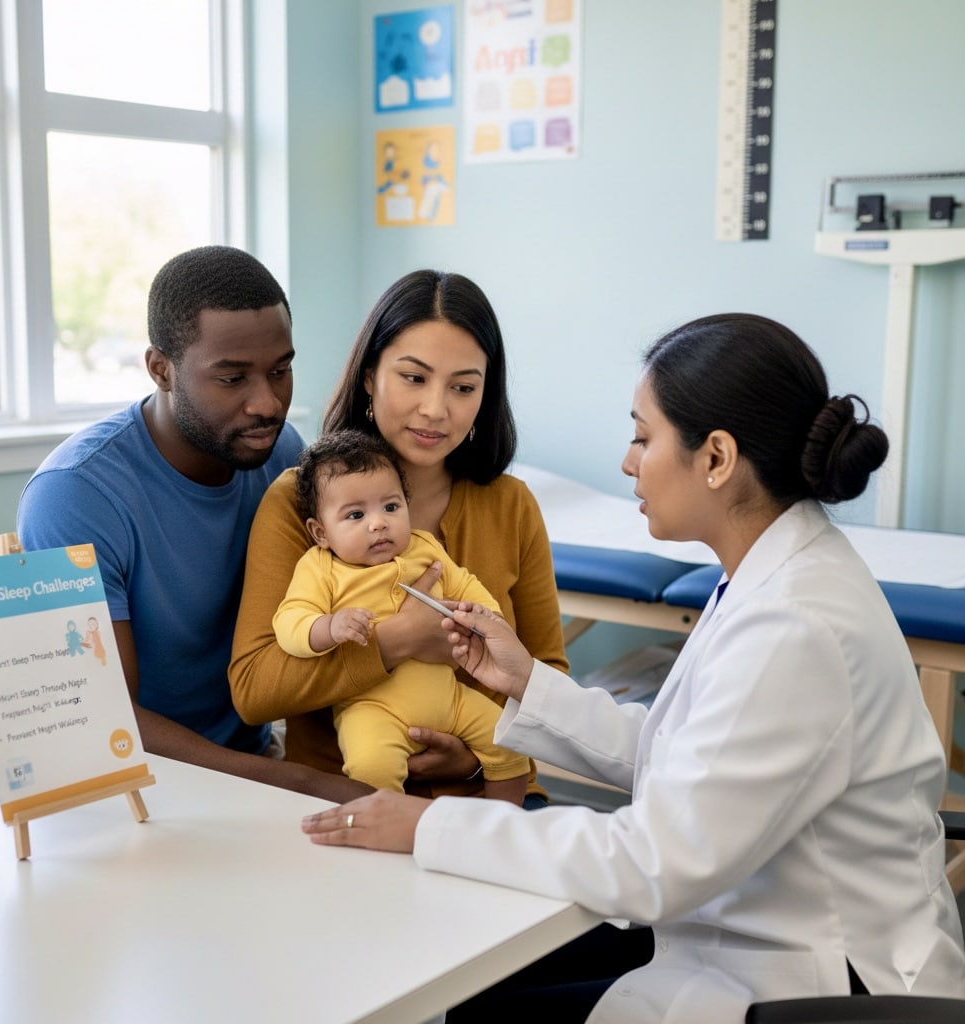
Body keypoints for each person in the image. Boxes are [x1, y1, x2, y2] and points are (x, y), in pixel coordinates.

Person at [302, 313, 965, 1022]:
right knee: (475, 975)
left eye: (643, 437)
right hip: (733, 924)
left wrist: (425, 827)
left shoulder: (795, 625)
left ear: (715, 458)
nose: (627, 462)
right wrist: (525, 680)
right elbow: (682, 757)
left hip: (813, 981)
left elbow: (654, 862)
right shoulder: (772, 573)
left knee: (475, 1005)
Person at [17, 245, 369, 804]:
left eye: (281, 371)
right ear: (161, 369)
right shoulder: (75, 495)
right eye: (232, 379)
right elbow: (102, 717)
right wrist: (305, 782)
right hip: (128, 788)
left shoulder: (284, 459)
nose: (267, 403)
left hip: (254, 765)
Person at [230, 269, 568, 803]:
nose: (436, 409)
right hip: (337, 797)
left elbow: (546, 672)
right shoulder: (299, 503)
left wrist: (476, 762)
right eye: (414, 378)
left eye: (463, 387)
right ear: (369, 376)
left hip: (483, 799)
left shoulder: (511, 504)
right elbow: (255, 689)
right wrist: (397, 640)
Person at [275, 428, 530, 803]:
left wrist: (486, 615)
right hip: (371, 709)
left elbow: (464, 584)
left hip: (449, 698)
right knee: (371, 766)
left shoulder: (423, 549)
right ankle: (385, 835)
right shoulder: (320, 569)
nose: (378, 523)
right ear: (321, 533)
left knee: (510, 741)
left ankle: (502, 824)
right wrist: (328, 627)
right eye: (356, 514)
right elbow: (289, 621)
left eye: (391, 507)